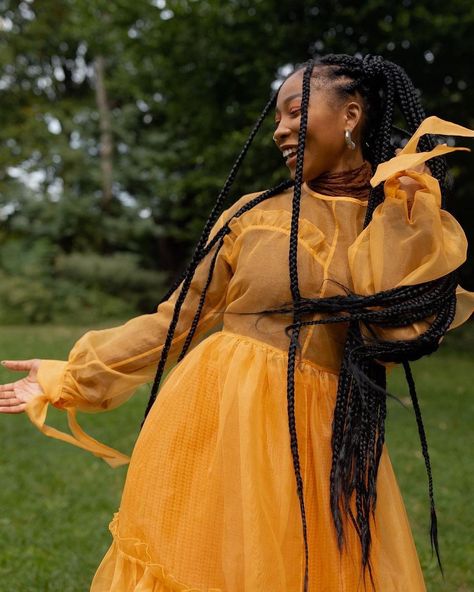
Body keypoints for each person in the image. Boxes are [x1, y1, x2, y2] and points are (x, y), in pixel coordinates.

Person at [0, 53, 473, 592]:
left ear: (351, 115)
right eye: (276, 119)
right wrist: (72, 375)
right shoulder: (254, 216)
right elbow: (172, 322)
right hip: (222, 420)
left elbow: (398, 335)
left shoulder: (400, 216)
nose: (282, 130)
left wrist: (405, 216)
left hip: (326, 438)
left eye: (295, 112)